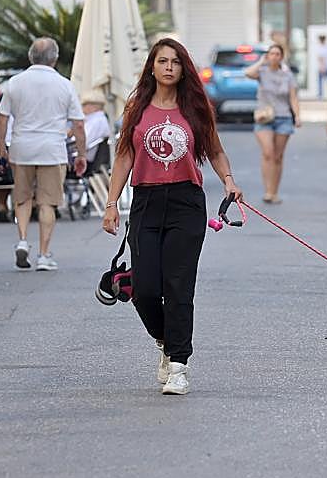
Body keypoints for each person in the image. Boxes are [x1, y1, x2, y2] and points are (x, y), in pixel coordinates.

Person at [101, 38, 244, 396]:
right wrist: (111, 203)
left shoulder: (194, 108)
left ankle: (179, 364)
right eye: (162, 61)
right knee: (145, 289)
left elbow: (215, 150)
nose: (168, 67)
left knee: (178, 286)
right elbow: (123, 158)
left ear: (183, 69)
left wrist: (228, 181)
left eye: (175, 62)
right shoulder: (136, 108)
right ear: (152, 66)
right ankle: (165, 340)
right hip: (146, 202)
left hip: (186, 202)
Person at [0, 38, 87, 272]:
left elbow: (2, 118)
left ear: (30, 56)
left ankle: (23, 240)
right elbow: (78, 124)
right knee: (47, 203)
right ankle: (44, 255)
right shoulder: (64, 85)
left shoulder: (15, 83)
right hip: (52, 150)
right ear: (54, 58)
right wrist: (81, 154)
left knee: (22, 198)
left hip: (21, 147)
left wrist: (1, 149)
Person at [244, 43, 300, 204]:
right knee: (268, 152)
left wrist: (297, 116)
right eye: (271, 54)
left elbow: (293, 97)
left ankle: (274, 192)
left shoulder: (287, 75)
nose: (274, 56)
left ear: (281, 57)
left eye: (277, 54)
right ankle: (267, 190)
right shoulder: (261, 72)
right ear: (267, 56)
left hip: (283, 118)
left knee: (277, 156)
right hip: (264, 118)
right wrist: (261, 62)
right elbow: (247, 73)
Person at [80, 92, 112, 165]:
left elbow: (84, 142)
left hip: (86, 161)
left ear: (94, 106)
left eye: (84, 104)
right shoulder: (94, 119)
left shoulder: (97, 121)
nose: (81, 107)